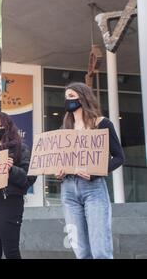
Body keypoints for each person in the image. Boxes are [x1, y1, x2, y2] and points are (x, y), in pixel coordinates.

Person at [56, 82, 125, 259]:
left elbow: (119, 157)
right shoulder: (65, 129)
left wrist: (96, 172)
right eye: (66, 97)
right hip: (68, 189)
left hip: (93, 188)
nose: (68, 100)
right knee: (81, 250)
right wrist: (59, 172)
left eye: (71, 96)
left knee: (100, 248)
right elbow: (60, 160)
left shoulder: (102, 124)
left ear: (83, 97)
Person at [0, 112, 36, 259]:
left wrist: (11, 169)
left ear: (8, 128)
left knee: (11, 252)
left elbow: (29, 179)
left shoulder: (20, 148)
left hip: (9, 203)